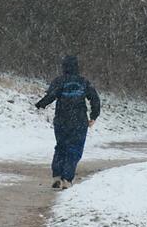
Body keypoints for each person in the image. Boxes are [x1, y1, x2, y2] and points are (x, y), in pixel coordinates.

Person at [35, 56, 101, 190]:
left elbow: (51, 96)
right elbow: (95, 99)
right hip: (79, 121)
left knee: (61, 147)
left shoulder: (59, 81)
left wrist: (40, 105)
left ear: (63, 67)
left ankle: (57, 176)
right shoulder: (84, 82)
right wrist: (93, 116)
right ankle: (67, 179)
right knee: (74, 149)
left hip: (61, 120)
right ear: (77, 67)